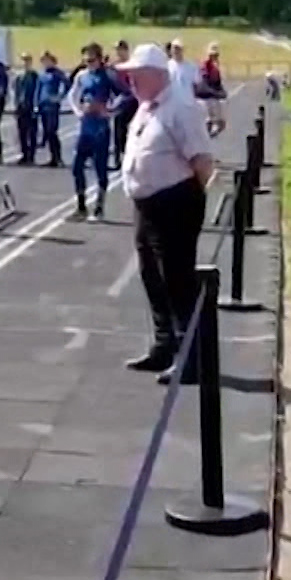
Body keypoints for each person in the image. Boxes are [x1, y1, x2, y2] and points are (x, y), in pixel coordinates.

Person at [116, 44, 215, 386]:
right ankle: (164, 345)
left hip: (174, 202)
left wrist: (188, 201)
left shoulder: (181, 108)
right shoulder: (146, 107)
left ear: (156, 75)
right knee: (151, 277)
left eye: (136, 75)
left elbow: (202, 161)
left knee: (178, 282)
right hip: (146, 204)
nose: (130, 80)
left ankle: (191, 359)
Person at [67, 42, 126, 222]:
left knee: (100, 167)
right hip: (85, 127)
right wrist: (77, 111)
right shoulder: (81, 75)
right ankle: (81, 206)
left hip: (100, 128)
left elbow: (126, 94)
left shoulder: (108, 76)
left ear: (100, 59)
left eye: (92, 60)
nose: (89, 64)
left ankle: (99, 207)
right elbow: (72, 94)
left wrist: (110, 110)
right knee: (77, 167)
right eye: (85, 60)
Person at [34, 52, 68, 168]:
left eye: (48, 60)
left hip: (52, 107)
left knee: (52, 131)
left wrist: (60, 96)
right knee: (47, 132)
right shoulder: (42, 74)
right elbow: (37, 89)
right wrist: (36, 104)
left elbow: (67, 85)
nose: (46, 63)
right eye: (44, 61)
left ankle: (58, 157)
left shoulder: (57, 73)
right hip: (43, 105)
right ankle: (52, 157)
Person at [109, 39, 137, 170]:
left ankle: (133, 156)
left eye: (120, 50)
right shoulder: (113, 67)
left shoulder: (133, 65)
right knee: (118, 130)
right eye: (116, 50)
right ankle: (118, 158)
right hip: (120, 101)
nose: (118, 53)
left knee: (135, 130)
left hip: (134, 100)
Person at [11, 52, 41, 166]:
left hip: (31, 106)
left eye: (27, 60)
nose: (25, 62)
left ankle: (31, 155)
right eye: (23, 60)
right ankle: (24, 154)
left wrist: (36, 105)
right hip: (21, 107)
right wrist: (15, 105)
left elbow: (37, 90)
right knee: (22, 132)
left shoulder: (34, 75)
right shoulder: (19, 76)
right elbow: (16, 92)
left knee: (32, 132)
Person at [197, 42, 229, 137]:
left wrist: (222, 91)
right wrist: (216, 93)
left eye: (216, 55)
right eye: (212, 55)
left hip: (213, 95)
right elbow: (205, 83)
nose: (214, 57)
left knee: (221, 122)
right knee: (211, 118)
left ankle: (211, 132)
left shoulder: (215, 66)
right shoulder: (205, 66)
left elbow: (218, 83)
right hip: (205, 96)